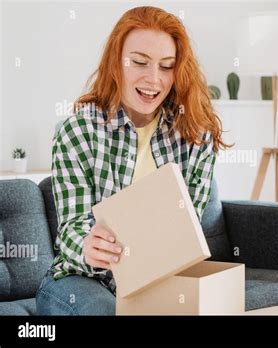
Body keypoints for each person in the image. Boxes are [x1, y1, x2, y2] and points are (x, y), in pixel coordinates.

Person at [36, 6, 229, 315]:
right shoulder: (78, 131)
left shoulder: (195, 134)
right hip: (81, 279)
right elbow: (71, 231)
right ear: (117, 62)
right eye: (139, 62)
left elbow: (185, 232)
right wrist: (89, 245)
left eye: (166, 66)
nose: (154, 79)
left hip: (156, 280)